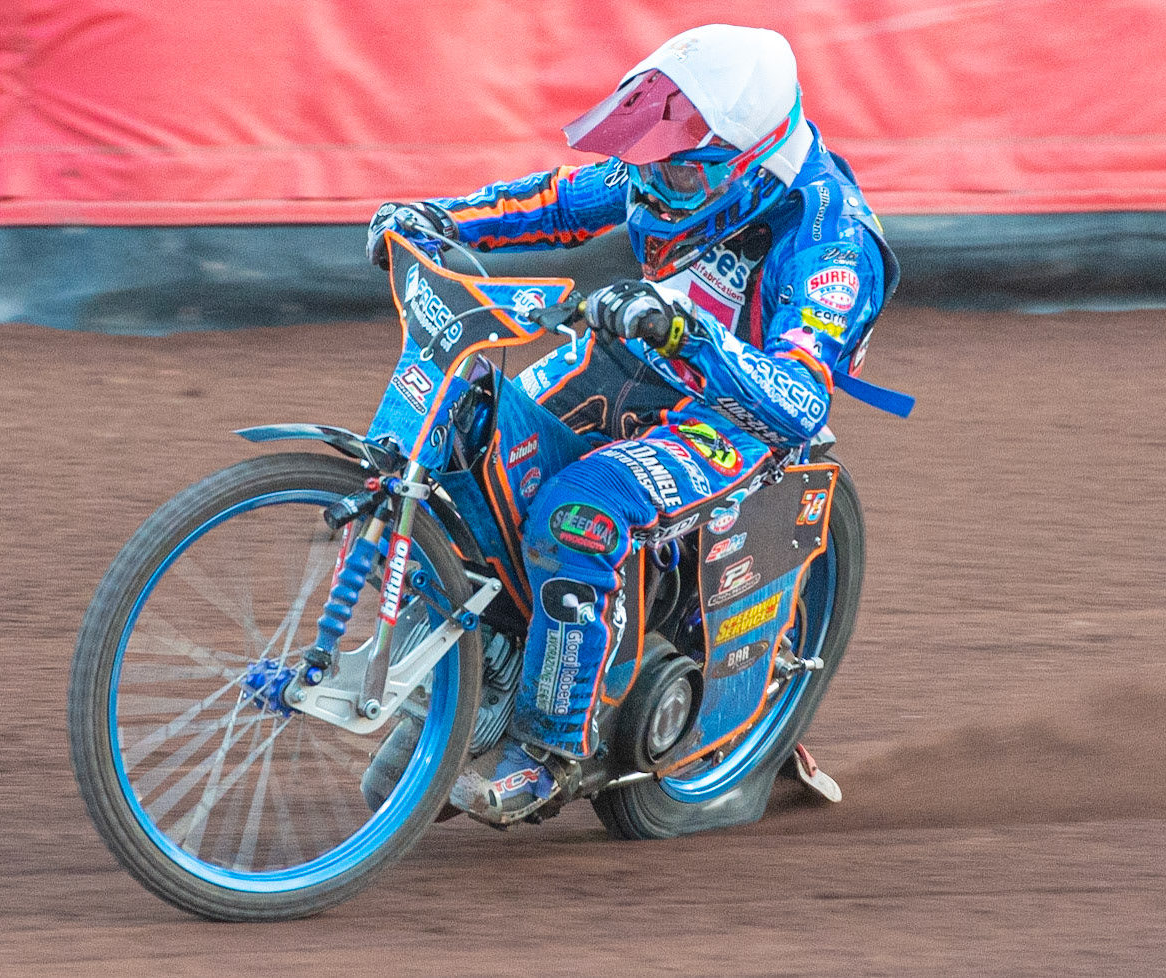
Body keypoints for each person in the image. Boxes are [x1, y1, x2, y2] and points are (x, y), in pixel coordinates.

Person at [365, 24, 898, 825]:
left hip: (738, 414)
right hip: (637, 353)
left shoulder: (830, 240)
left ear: (746, 163)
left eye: (672, 169)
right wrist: (432, 219)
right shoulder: (677, 168)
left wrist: (684, 333)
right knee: (456, 431)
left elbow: (799, 397)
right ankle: (489, 664)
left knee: (576, 510)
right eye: (645, 162)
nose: (647, 189)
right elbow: (550, 200)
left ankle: (550, 747)